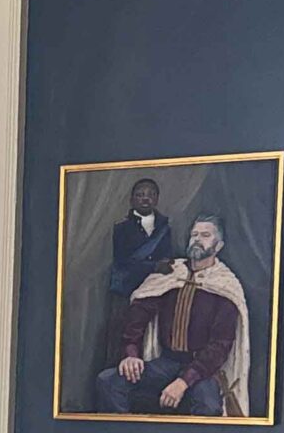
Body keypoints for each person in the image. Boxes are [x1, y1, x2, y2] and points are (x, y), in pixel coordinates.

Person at [94, 216, 250, 417]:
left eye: (205, 235)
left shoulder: (225, 286)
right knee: (109, 382)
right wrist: (131, 354)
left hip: (204, 371)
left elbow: (219, 345)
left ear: (218, 245)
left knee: (209, 407)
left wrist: (183, 381)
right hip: (166, 363)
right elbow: (138, 313)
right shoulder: (170, 273)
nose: (197, 239)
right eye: (194, 234)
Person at [103, 178, 174, 363]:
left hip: (154, 292)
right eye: (140, 195)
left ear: (157, 199)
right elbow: (122, 263)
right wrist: (154, 267)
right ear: (132, 200)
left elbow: (167, 257)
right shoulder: (121, 229)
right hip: (125, 292)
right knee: (123, 341)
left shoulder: (165, 228)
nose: (145, 199)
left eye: (150, 195)